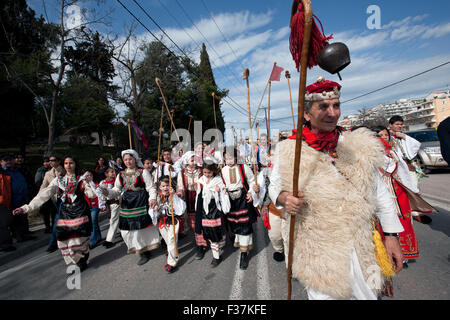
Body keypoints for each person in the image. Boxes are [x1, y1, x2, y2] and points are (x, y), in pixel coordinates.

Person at [269, 77, 405, 300]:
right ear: (306, 114)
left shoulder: (358, 144)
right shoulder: (289, 150)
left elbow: (380, 193)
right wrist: (284, 198)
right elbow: (274, 187)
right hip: (319, 251)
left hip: (362, 246)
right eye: (323, 107)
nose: (332, 113)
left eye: (336, 105)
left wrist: (391, 236)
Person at [13, 156, 94, 271]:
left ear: (75, 164)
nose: (68, 165)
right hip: (65, 212)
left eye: (71, 163)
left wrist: (90, 185)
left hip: (80, 211)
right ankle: (80, 258)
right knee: (63, 239)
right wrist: (25, 208)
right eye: (66, 163)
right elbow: (43, 195)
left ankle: (82, 257)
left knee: (77, 240)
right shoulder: (58, 181)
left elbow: (91, 195)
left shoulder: (81, 179)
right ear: (64, 165)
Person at [374, 126, 422, 268]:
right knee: (385, 224)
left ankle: (404, 255)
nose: (384, 137)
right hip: (384, 193)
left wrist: (413, 189)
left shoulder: (394, 153)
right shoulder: (372, 155)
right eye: (381, 135)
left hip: (399, 194)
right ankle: (386, 255)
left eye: (386, 135)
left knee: (404, 223)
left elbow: (404, 172)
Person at [102, 149, 159, 266]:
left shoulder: (143, 172)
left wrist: (152, 199)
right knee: (127, 229)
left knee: (141, 227)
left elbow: (151, 187)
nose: (128, 161)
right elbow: (116, 191)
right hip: (127, 203)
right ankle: (140, 248)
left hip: (140, 201)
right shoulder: (120, 174)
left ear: (135, 159)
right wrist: (106, 192)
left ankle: (144, 251)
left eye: (130, 159)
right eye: (125, 159)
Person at [221, 146, 259, 270]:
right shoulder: (223, 170)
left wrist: (251, 193)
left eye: (231, 158)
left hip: (243, 197)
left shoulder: (243, 167)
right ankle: (238, 241)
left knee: (245, 224)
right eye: (227, 159)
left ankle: (244, 253)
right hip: (230, 200)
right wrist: (221, 189)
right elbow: (220, 183)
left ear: (236, 157)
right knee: (235, 223)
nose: (229, 161)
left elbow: (252, 180)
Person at [195, 162, 230, 267]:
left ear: (213, 171)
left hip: (215, 209)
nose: (206, 174)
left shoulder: (218, 180)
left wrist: (219, 192)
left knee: (217, 230)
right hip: (205, 211)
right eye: (204, 172)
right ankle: (216, 257)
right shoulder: (201, 180)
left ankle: (220, 245)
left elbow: (224, 193)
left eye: (209, 172)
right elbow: (199, 195)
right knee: (209, 232)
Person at [153, 176, 186, 273]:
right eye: (163, 186)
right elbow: (154, 210)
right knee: (168, 241)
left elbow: (180, 210)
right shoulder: (158, 196)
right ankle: (170, 252)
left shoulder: (175, 196)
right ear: (160, 187)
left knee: (172, 240)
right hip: (162, 222)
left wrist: (174, 196)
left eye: (167, 185)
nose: (165, 188)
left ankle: (171, 263)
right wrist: (154, 209)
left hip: (172, 222)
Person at [176, 151, 206, 259]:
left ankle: (206, 240)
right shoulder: (182, 172)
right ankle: (200, 245)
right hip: (189, 199)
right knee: (194, 223)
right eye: (191, 160)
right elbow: (180, 187)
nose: (194, 162)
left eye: (195, 160)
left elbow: (207, 181)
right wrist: (179, 193)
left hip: (201, 197)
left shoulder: (201, 170)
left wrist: (199, 185)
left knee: (204, 221)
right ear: (186, 161)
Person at [258, 146, 285, 262]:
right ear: (268, 157)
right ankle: (279, 249)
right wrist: (255, 190)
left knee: (290, 237)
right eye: (272, 155)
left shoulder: (288, 169)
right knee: (275, 235)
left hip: (288, 208)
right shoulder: (264, 172)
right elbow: (259, 187)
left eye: (277, 155)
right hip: (273, 208)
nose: (275, 158)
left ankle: (290, 257)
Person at [1, 154, 34, 242]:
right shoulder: (2, 173)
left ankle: (24, 234)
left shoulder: (18, 171)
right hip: (9, 201)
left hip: (22, 199)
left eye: (10, 159)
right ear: (1, 162)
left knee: (23, 218)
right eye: (6, 160)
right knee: (13, 220)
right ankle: (17, 236)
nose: (8, 161)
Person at [41, 155, 64, 251]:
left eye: (53, 160)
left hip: (66, 199)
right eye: (49, 160)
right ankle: (56, 242)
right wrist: (39, 199)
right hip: (55, 200)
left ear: (58, 161)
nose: (50, 162)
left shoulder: (64, 170)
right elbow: (43, 187)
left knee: (57, 220)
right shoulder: (48, 174)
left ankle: (53, 243)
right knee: (58, 220)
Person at [100, 168, 120, 249]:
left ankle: (109, 240)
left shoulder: (117, 181)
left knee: (114, 220)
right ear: (106, 173)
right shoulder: (103, 183)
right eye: (111, 172)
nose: (113, 173)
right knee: (113, 220)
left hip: (117, 203)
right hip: (109, 203)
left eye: (114, 172)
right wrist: (102, 205)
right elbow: (101, 195)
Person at [83, 171, 103, 249]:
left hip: (95, 205)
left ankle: (92, 240)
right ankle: (98, 237)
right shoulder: (83, 185)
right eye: (87, 175)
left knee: (93, 221)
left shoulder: (96, 184)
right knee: (93, 222)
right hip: (87, 206)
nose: (89, 177)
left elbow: (99, 195)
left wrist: (102, 205)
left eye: (90, 175)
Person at [0, 166, 15, 252]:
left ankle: (6, 243)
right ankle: (5, 244)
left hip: (5, 202)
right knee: (2, 225)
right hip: (2, 202)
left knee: (4, 224)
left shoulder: (4, 173)